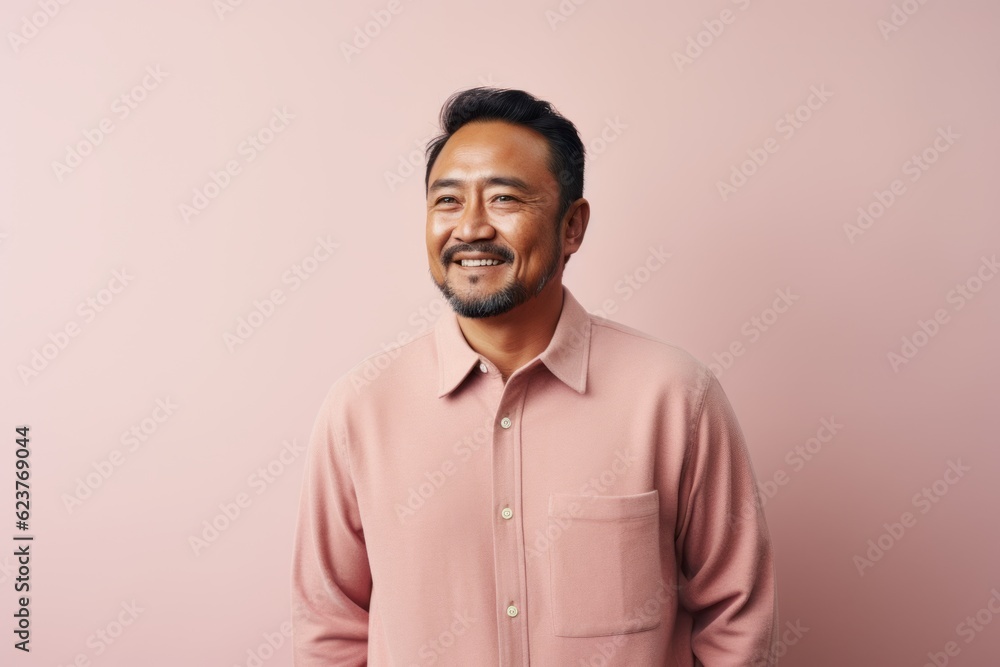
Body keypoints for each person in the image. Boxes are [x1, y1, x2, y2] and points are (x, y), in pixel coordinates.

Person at [291, 87, 778, 666]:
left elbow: (737, 614)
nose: (470, 228)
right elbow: (330, 626)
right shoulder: (360, 409)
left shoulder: (674, 397)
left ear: (572, 227)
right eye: (447, 201)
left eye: (504, 199)